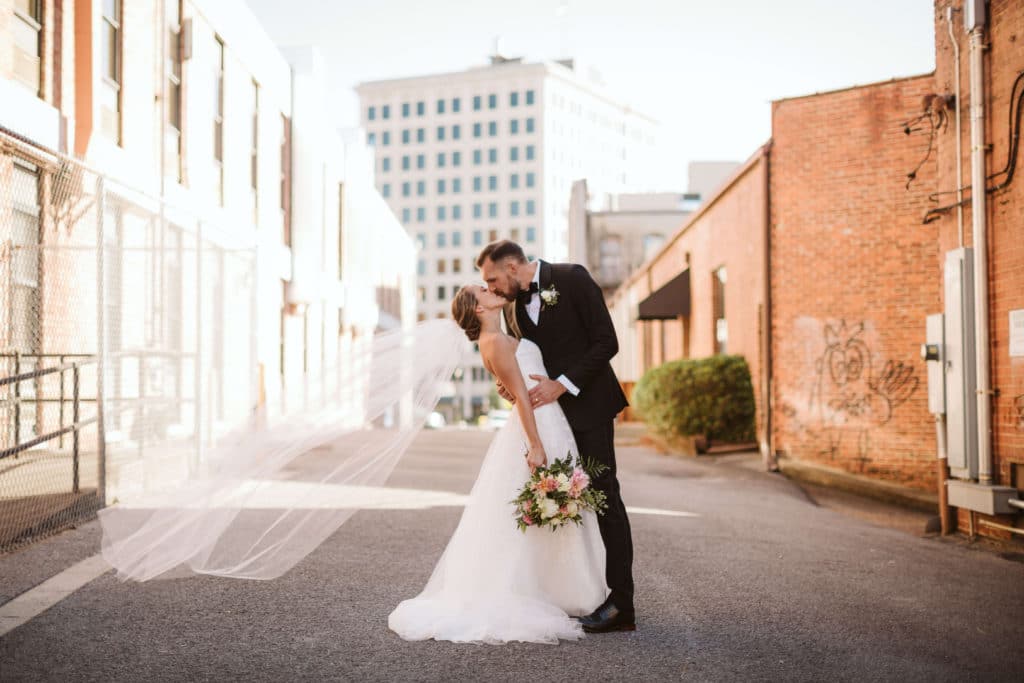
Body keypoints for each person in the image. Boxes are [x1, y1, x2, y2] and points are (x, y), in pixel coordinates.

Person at [388, 284, 608, 644]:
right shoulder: (494, 342)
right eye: (482, 290)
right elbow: (520, 396)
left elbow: (513, 387)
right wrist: (536, 445)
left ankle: (563, 589)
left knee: (552, 508)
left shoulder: (501, 337)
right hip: (538, 425)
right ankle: (548, 591)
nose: (490, 289)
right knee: (543, 506)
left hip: (550, 419)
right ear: (477, 308)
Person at [477, 240, 635, 634]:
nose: (492, 288)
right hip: (551, 422)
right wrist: (512, 385)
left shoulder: (572, 277)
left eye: (493, 279)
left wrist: (561, 386)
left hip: (590, 409)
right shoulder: (513, 308)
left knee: (604, 499)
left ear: (513, 266)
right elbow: (528, 359)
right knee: (563, 505)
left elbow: (606, 342)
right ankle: (576, 592)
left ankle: (622, 605)